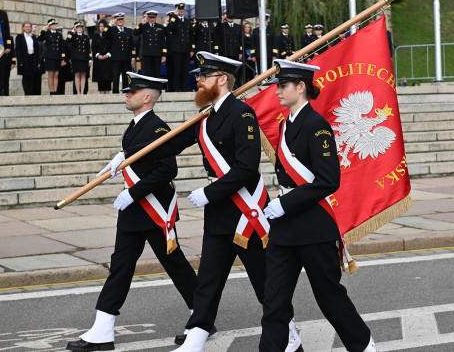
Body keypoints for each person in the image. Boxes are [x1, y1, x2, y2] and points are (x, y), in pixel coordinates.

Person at [168, 52, 301, 352]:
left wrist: (208, 193)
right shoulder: (207, 118)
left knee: (264, 282)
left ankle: (289, 333)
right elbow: (171, 143)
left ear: (223, 79)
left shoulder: (242, 114)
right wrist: (129, 152)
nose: (198, 81)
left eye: (205, 75)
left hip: (246, 213)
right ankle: (196, 340)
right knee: (208, 281)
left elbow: (245, 167)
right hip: (219, 215)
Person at [66, 72, 198, 352]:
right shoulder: (135, 125)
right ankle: (102, 330)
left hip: (153, 210)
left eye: (133, 91)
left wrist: (132, 193)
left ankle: (201, 318)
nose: (127, 94)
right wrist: (122, 159)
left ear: (147, 97)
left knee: (175, 265)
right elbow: (138, 158)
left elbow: (167, 170)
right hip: (133, 212)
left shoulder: (159, 128)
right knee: (120, 267)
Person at [259, 59, 375, 352]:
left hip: (313, 228)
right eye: (277, 86)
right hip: (285, 231)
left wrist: (285, 203)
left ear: (301, 87)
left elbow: (328, 180)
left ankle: (363, 346)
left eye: (283, 86)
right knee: (274, 301)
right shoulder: (286, 123)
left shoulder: (317, 126)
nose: (277, 92)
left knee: (329, 298)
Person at [104, 13, 135, 93]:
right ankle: (115, 92)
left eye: (122, 19)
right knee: (115, 76)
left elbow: (132, 45)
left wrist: (133, 57)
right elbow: (104, 34)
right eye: (118, 20)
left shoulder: (128, 30)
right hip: (116, 58)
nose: (120, 21)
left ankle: (125, 92)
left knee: (126, 77)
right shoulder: (112, 30)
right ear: (116, 21)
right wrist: (110, 24)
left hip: (126, 57)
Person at [165, 3, 194, 92]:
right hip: (177, 49)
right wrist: (174, 16)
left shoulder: (187, 21)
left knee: (185, 69)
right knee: (177, 69)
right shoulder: (174, 19)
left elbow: (191, 35)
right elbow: (169, 29)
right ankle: (178, 88)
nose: (181, 11)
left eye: (182, 9)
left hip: (186, 48)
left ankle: (185, 87)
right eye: (179, 9)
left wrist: (192, 49)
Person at [133, 10, 166, 78]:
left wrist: (164, 55)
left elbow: (163, 42)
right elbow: (135, 33)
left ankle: (156, 88)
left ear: (156, 17)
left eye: (153, 17)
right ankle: (148, 88)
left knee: (156, 73)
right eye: (150, 17)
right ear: (148, 18)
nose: (152, 19)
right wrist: (141, 24)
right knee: (147, 74)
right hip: (146, 54)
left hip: (157, 54)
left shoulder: (160, 27)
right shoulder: (144, 26)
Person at [38, 19, 66, 95]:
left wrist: (63, 58)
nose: (54, 26)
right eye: (52, 25)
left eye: (55, 25)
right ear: (49, 26)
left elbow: (61, 47)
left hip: (57, 56)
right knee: (50, 74)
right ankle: (51, 91)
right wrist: (43, 30)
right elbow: (39, 39)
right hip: (49, 56)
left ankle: (55, 90)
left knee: (56, 74)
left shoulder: (59, 35)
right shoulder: (46, 33)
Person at [14, 20, 42, 95]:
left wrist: (38, 62)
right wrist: (20, 61)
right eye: (26, 27)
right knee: (26, 76)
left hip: (33, 58)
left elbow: (37, 50)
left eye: (29, 27)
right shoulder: (19, 37)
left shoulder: (33, 37)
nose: (28, 28)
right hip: (24, 59)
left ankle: (32, 93)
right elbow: (18, 50)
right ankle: (27, 93)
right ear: (23, 28)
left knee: (33, 76)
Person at [66, 21, 92, 95]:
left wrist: (90, 59)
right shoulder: (73, 36)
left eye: (81, 27)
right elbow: (67, 41)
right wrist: (72, 31)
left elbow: (88, 49)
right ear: (75, 28)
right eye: (78, 27)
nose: (79, 29)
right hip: (76, 59)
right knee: (77, 75)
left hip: (84, 58)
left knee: (83, 75)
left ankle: (82, 91)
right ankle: (78, 92)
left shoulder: (86, 37)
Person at [92, 20, 112, 93]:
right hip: (99, 60)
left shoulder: (109, 35)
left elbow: (111, 46)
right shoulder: (95, 36)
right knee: (100, 79)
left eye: (103, 26)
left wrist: (108, 54)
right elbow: (93, 47)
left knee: (108, 78)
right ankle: (101, 93)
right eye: (100, 26)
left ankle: (108, 93)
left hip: (107, 58)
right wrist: (97, 55)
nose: (102, 28)